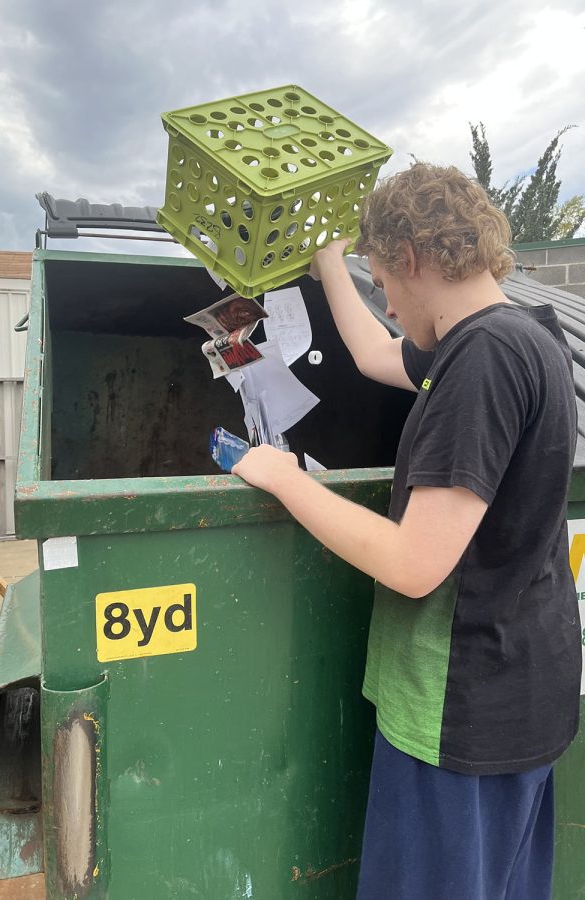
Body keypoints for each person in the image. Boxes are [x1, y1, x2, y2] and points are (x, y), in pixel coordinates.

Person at [232, 163, 582, 900]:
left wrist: (286, 479)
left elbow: (415, 564)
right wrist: (331, 261)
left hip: (461, 714)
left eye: (383, 280)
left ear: (415, 260)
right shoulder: (524, 335)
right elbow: (370, 354)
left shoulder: (481, 364)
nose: (385, 301)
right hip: (521, 698)